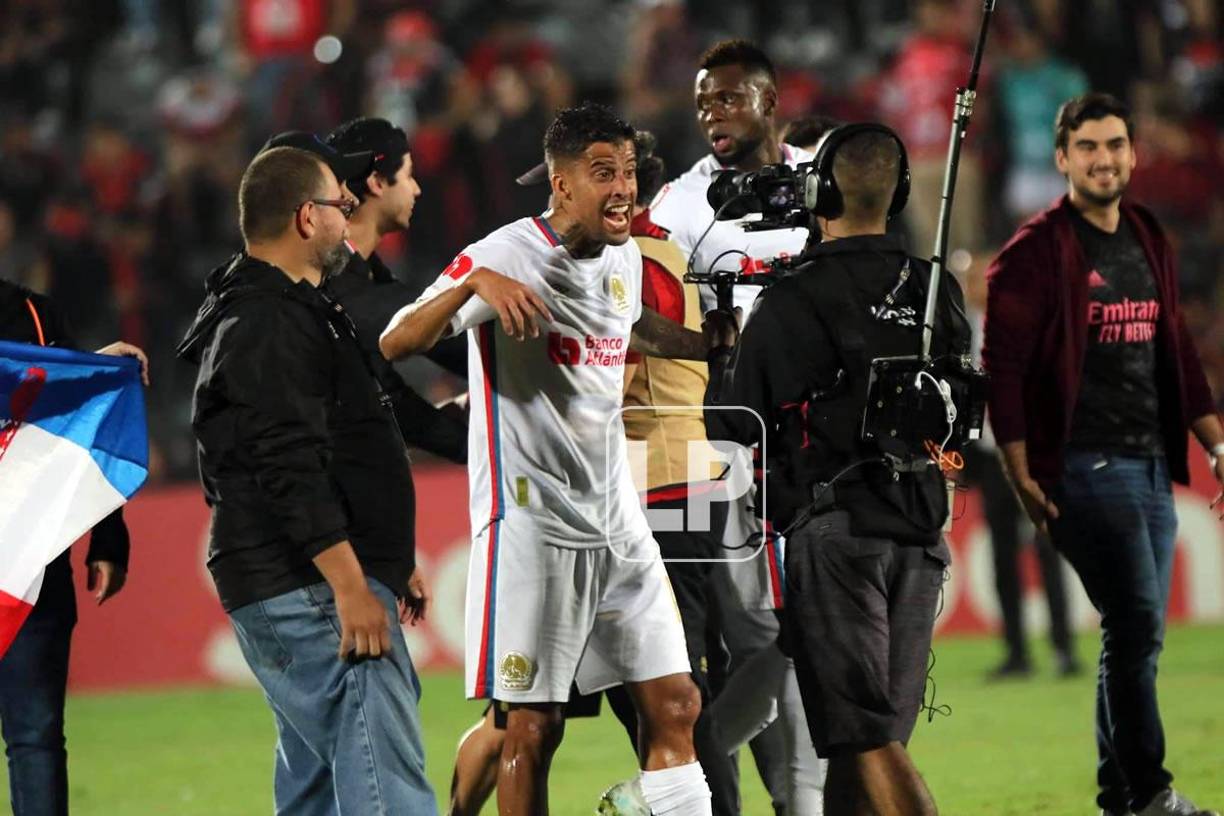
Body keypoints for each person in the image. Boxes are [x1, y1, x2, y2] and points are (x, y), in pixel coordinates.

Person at [381, 102, 734, 816]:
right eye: (604, 173)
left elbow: (629, 325)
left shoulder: (623, 255)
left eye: (628, 171)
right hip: (534, 530)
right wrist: (473, 285)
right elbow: (396, 340)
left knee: (677, 702)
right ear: (562, 183)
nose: (624, 188)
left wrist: (706, 345)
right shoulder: (506, 253)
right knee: (532, 728)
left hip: (619, 524)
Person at [709, 123, 965, 816]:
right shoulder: (936, 289)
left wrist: (723, 351)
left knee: (865, 736)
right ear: (899, 193)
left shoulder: (793, 296)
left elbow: (735, 422)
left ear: (820, 192)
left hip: (835, 532)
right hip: (920, 528)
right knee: (870, 740)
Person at [176, 144, 436, 814]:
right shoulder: (268, 320)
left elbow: (341, 442)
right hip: (305, 580)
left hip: (296, 574)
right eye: (337, 203)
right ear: (304, 217)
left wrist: (385, 555)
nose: (348, 213)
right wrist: (350, 585)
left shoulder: (279, 308)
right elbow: (287, 465)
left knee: (317, 782)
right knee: (382, 768)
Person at [983, 92, 1223, 816]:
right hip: (1083, 465)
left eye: (1115, 144)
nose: (1103, 159)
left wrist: (1214, 443)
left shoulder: (1147, 234)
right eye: (1087, 146)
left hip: (1150, 462)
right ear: (1062, 158)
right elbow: (1003, 370)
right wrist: (1020, 470)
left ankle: (1120, 793)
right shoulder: (1033, 253)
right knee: (1136, 626)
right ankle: (1151, 791)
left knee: (1132, 636)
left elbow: (1175, 347)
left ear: (1133, 154)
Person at [649, 38, 822, 814]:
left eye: (728, 98)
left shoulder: (819, 182)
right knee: (747, 632)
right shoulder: (678, 208)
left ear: (769, 100)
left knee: (802, 628)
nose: (713, 115)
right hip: (714, 441)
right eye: (702, 103)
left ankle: (771, 788)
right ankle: (779, 796)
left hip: (815, 438)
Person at [0, 280, 146, 816]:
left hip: (30, 561)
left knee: (35, 735)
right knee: (34, 738)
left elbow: (78, 425)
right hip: (30, 559)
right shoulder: (31, 317)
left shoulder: (35, 314)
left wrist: (107, 535)